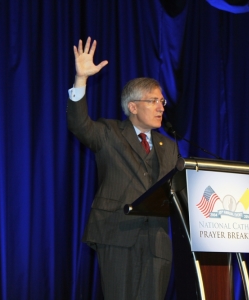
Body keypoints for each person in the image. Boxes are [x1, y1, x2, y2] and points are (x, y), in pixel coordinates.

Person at [67, 37, 179, 299]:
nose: (161, 107)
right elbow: (78, 124)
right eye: (154, 101)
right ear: (133, 106)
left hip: (157, 243)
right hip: (117, 234)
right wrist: (81, 79)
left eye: (162, 102)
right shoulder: (109, 133)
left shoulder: (170, 145)